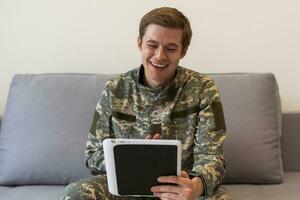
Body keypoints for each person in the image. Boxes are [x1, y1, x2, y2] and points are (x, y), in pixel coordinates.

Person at [61, 7, 231, 200]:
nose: (159, 56)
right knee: (77, 194)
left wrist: (194, 186)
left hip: (181, 189)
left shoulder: (203, 88)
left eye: (171, 48)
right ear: (139, 43)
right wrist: (136, 160)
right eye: (152, 45)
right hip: (125, 187)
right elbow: (92, 154)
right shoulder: (115, 89)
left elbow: (213, 157)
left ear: (183, 51)